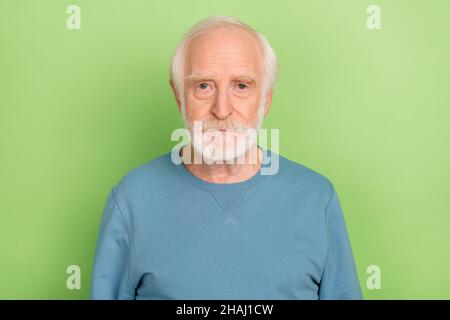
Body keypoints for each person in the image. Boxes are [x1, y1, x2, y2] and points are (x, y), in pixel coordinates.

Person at [90, 16, 363, 300]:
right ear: (179, 96)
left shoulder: (317, 199)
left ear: (265, 99)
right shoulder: (131, 201)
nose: (221, 110)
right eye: (204, 86)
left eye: (241, 86)